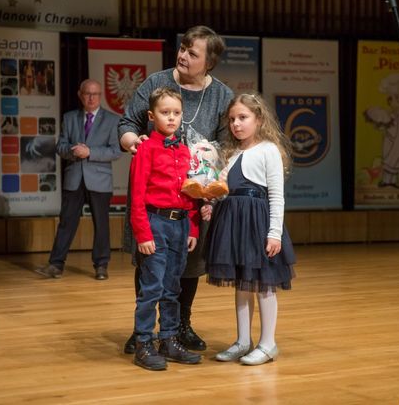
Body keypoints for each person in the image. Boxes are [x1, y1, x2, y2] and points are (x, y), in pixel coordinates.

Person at [118, 25, 234, 354]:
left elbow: (226, 147)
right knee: (149, 261)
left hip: (193, 197)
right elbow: (127, 123)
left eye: (192, 53)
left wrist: (211, 188)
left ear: (208, 62)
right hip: (154, 194)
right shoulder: (156, 82)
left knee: (188, 262)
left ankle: (179, 326)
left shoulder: (221, 95)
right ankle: (142, 330)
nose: (183, 55)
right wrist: (134, 141)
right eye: (182, 48)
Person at [203, 92, 296, 366]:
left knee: (264, 283)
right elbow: (225, 190)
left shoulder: (268, 150)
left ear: (259, 119)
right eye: (232, 119)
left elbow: (276, 195)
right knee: (242, 284)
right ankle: (243, 341)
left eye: (243, 117)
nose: (236, 124)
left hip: (257, 223)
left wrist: (274, 233)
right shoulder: (232, 154)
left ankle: (268, 344)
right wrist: (212, 203)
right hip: (234, 223)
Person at [130, 87, 202, 371]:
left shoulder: (185, 151)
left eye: (176, 113)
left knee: (173, 286)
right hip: (156, 223)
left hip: (180, 225)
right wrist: (143, 233)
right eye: (165, 112)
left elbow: (191, 192)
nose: (171, 118)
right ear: (152, 116)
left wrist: (193, 227)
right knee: (152, 287)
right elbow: (136, 196)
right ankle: (143, 342)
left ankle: (169, 339)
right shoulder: (145, 149)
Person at [35, 79, 121, 280]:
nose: (91, 98)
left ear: (100, 95)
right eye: (87, 94)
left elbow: (115, 151)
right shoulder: (69, 117)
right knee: (66, 223)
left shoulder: (112, 120)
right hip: (74, 178)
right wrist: (74, 151)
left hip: (99, 181)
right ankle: (56, 264)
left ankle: (101, 265)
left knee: (101, 225)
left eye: (95, 94)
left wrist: (89, 151)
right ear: (80, 95)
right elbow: (60, 146)